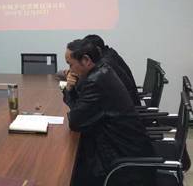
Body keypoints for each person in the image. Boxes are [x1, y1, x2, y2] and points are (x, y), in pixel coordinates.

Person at [63, 39, 154, 186]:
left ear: (86, 60)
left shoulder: (96, 81)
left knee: (72, 172)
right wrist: (71, 89)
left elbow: (75, 121)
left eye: (70, 64)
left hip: (122, 160)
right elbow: (79, 110)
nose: (70, 70)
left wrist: (69, 89)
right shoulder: (102, 71)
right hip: (124, 148)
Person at [83, 34, 140, 105]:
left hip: (126, 107)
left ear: (97, 49)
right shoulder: (109, 54)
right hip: (127, 104)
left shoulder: (105, 63)